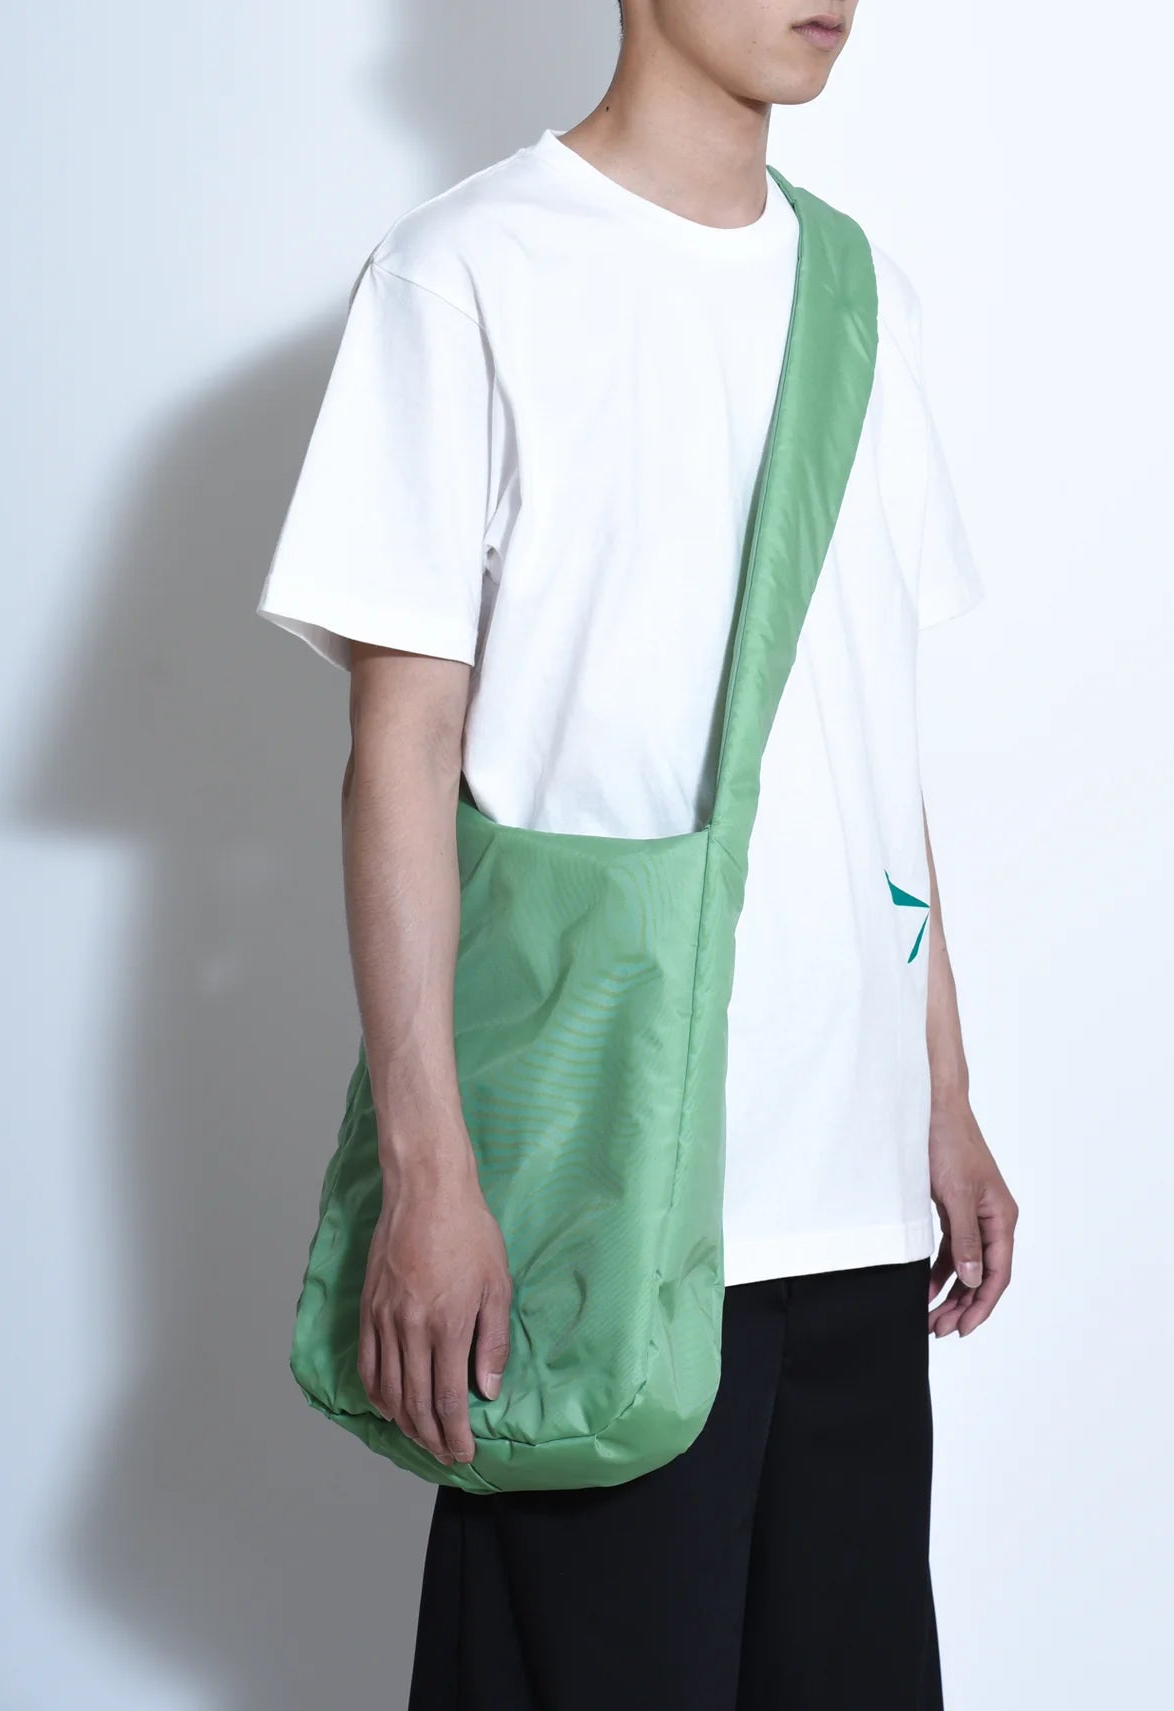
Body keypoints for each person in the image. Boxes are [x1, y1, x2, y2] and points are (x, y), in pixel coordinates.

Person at [257, 1, 1018, 1704]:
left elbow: (867, 741)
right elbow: (402, 754)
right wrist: (429, 1176)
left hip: (850, 1192)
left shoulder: (860, 294)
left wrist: (943, 1094)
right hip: (596, 1185)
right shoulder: (466, 273)